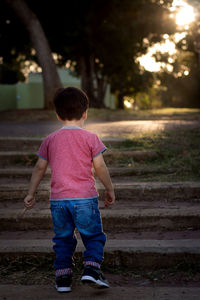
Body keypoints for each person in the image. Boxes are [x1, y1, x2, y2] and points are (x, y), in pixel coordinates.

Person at [23, 87, 115, 293]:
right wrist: (110, 188)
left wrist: (31, 193)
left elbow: (39, 167)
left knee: (63, 238)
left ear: (57, 114)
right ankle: (91, 268)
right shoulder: (91, 138)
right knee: (93, 236)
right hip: (84, 199)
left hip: (58, 201)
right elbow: (99, 166)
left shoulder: (50, 139)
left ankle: (63, 278)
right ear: (85, 113)